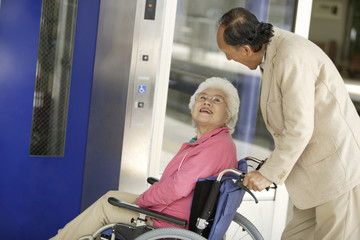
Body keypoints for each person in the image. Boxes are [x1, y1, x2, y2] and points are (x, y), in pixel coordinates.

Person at [217, 7, 360, 240]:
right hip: (316, 174)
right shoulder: (272, 51)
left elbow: (299, 128)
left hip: (338, 171)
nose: (228, 58)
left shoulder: (291, 56)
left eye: (228, 52)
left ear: (245, 48)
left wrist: (268, 174)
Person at [50, 77, 240, 240]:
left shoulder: (217, 146)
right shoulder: (206, 142)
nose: (207, 102)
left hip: (170, 221)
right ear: (193, 105)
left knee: (106, 207)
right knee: (110, 197)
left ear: (228, 115)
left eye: (217, 100)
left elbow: (178, 187)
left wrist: (143, 200)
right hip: (168, 212)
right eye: (203, 98)